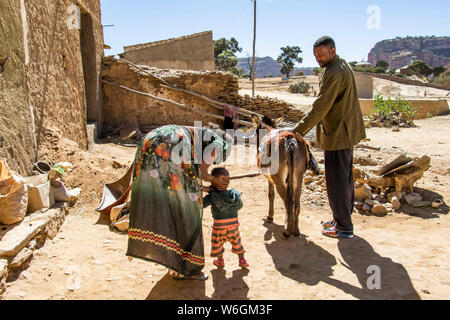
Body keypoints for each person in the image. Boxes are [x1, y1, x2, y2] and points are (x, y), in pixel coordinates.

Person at [127, 125, 231, 280]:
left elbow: (190, 177)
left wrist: (203, 187)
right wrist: (214, 180)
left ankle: (172, 261)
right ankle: (189, 267)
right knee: (188, 207)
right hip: (172, 144)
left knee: (169, 200)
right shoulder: (219, 143)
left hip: (150, 141)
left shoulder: (198, 135)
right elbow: (201, 172)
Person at [293, 36, 366, 239]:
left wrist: (297, 130)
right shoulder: (340, 65)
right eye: (316, 55)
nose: (318, 58)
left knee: (336, 181)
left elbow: (321, 106)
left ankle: (344, 227)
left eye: (322, 54)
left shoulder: (334, 72)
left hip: (338, 133)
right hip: (344, 131)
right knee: (345, 177)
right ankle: (341, 218)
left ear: (332, 51)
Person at [203, 167, 249, 269]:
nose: (226, 181)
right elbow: (240, 205)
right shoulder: (234, 194)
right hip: (233, 226)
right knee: (237, 243)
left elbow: (201, 205)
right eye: (223, 179)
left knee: (218, 243)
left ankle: (220, 261)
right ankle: (242, 260)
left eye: (227, 179)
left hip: (219, 228)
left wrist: (207, 190)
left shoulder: (212, 195)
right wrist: (231, 211)